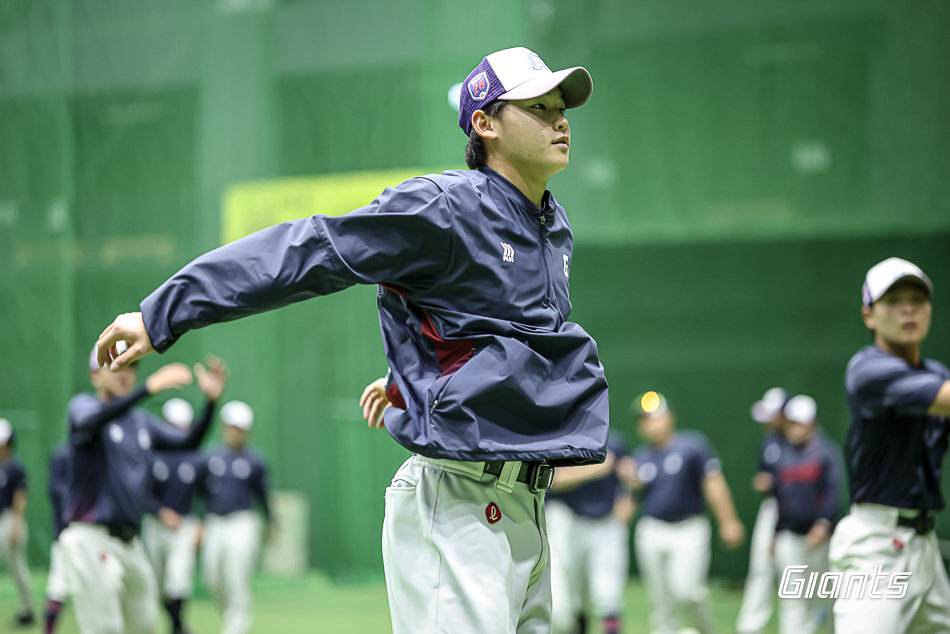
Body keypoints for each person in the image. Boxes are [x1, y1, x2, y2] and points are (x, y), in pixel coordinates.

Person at [98, 45, 608, 633]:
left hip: (529, 507)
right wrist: (162, 314)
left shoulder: (552, 225)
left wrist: (414, 378)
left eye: (561, 106)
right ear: (485, 124)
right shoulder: (443, 207)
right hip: (462, 503)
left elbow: (502, 331)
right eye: (539, 106)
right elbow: (310, 250)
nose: (560, 119)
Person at [58, 348, 227, 634]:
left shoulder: (140, 422)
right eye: (115, 365)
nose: (125, 372)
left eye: (131, 365)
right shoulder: (82, 406)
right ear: (95, 375)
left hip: (131, 543)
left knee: (145, 625)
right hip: (91, 537)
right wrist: (148, 388)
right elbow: (90, 421)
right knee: (106, 629)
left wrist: (210, 403)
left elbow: (189, 442)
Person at [829, 257, 950, 633]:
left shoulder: (936, 374)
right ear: (869, 315)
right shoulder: (867, 369)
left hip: (925, 546)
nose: (908, 308)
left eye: (918, 299)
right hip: (877, 547)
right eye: (894, 300)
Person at [629, 391, 744, 634]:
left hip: (688, 528)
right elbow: (632, 498)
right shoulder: (641, 457)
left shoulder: (692, 446)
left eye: (655, 417)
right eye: (644, 420)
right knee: (660, 600)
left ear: (669, 417)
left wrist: (729, 521)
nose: (650, 424)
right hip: (652, 529)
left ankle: (703, 629)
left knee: (688, 592)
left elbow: (714, 484)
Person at [763, 394, 841, 634]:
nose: (794, 428)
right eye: (791, 423)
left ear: (812, 423)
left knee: (827, 596)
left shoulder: (827, 453)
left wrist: (824, 524)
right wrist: (776, 533)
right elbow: (781, 499)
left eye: (799, 423)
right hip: (790, 535)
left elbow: (834, 492)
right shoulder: (783, 456)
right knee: (792, 596)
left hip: (820, 538)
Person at [144, 396, 221, 634]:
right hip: (155, 525)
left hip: (184, 525)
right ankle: (175, 623)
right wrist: (160, 511)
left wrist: (200, 523)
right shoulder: (151, 456)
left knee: (178, 578)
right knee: (155, 581)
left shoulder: (197, 459)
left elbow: (206, 495)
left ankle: (177, 626)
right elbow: (141, 493)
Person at [545, 430, 634, 634]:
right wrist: (593, 469)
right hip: (567, 522)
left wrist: (627, 502)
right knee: (570, 599)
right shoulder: (561, 438)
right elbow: (552, 480)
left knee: (608, 593)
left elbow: (629, 482)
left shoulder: (614, 441)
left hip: (606, 523)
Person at [196, 399, 271, 634]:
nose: (234, 432)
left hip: (242, 522)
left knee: (236, 575)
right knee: (211, 576)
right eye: (231, 427)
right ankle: (230, 617)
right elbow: (200, 493)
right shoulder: (211, 457)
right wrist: (199, 522)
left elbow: (263, 495)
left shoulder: (255, 461)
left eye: (239, 428)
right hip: (215, 522)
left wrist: (271, 523)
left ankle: (237, 624)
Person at [736, 386, 790, 634]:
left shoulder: (804, 440)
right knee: (761, 567)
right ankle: (750, 626)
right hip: (773, 508)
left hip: (801, 513)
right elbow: (764, 474)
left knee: (797, 573)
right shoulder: (769, 441)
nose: (768, 420)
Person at [0, 417, 36, 628]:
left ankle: (27, 610)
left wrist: (15, 524)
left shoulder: (15, 466)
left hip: (10, 520)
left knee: (17, 568)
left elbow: (20, 496)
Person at [44, 443, 70, 634]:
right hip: (65, 534)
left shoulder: (102, 455)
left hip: (96, 536)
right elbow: (55, 491)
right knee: (58, 587)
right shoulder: (61, 456)